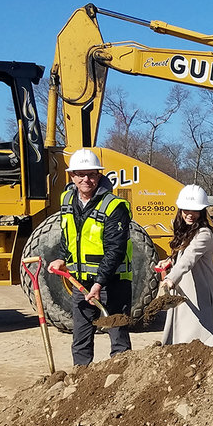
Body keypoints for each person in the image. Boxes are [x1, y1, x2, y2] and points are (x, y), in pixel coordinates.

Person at [47, 149, 132, 366]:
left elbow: (116, 249)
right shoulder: (66, 199)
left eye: (92, 174)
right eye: (81, 174)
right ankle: (81, 377)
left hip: (112, 283)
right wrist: (62, 258)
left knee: (118, 335)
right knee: (81, 336)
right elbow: (68, 235)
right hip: (81, 282)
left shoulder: (114, 206)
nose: (87, 180)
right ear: (72, 176)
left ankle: (122, 377)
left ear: (99, 175)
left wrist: (99, 283)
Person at [157, 184, 213, 346]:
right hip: (183, 290)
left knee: (198, 341)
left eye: (195, 211)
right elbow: (182, 254)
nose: (190, 215)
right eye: (186, 210)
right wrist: (170, 260)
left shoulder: (204, 234)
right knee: (180, 340)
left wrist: (171, 278)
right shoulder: (187, 231)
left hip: (200, 294)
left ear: (202, 212)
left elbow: (189, 258)